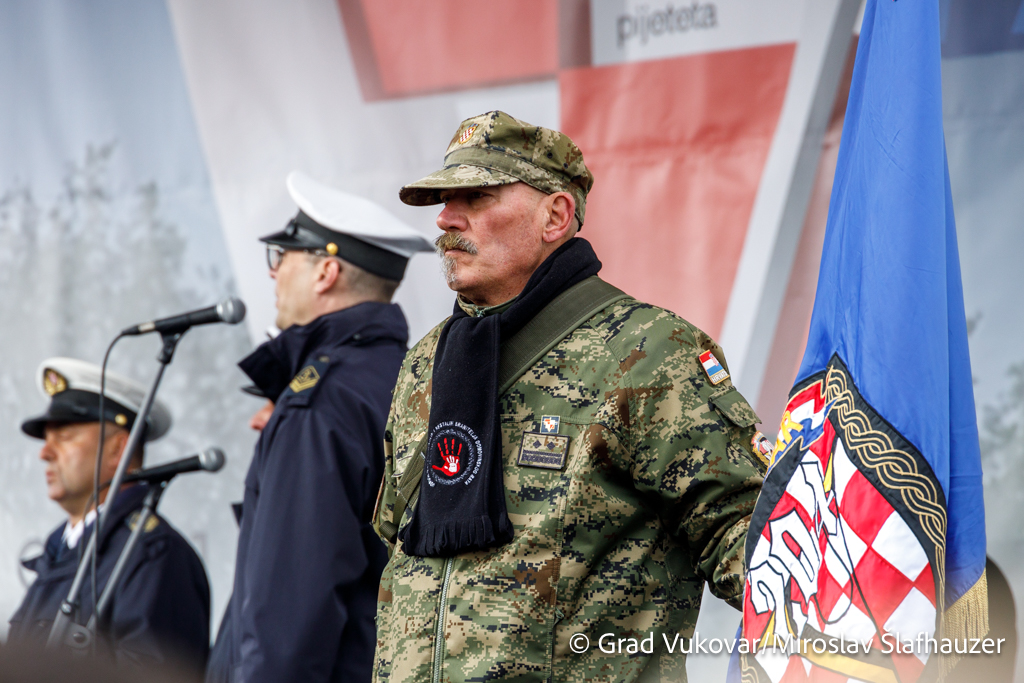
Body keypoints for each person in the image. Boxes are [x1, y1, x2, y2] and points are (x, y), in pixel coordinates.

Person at [372, 111, 770, 682]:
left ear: (555, 216)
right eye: (443, 200)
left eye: (476, 197)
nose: (445, 218)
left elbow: (751, 543)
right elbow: (398, 548)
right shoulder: (427, 361)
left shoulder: (647, 350)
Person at [207, 171, 433, 683]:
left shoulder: (322, 401)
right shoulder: (413, 379)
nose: (273, 274)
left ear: (326, 272)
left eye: (282, 256)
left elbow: (289, 615)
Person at [9, 358, 211, 671]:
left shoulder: (152, 555)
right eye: (46, 439)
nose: (44, 453)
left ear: (119, 450)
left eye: (66, 435)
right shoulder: (59, 553)